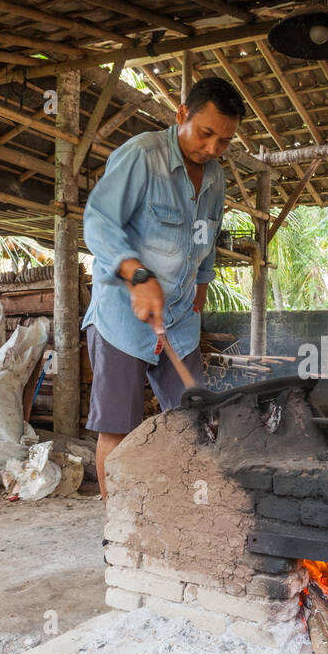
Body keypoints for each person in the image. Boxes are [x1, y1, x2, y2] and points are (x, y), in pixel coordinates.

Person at [82, 76, 245, 498]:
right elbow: (98, 222)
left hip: (179, 320)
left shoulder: (216, 178)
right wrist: (137, 275)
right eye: (205, 133)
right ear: (181, 116)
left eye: (224, 141)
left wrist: (202, 288)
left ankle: (185, 518)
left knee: (197, 422)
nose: (212, 148)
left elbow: (206, 240)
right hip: (122, 316)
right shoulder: (142, 156)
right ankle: (116, 531)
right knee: (119, 429)